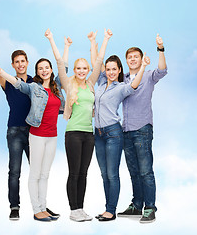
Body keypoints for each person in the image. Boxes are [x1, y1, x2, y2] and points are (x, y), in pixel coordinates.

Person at [0, 31, 67, 220]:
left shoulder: (35, 82)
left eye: (23, 61)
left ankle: (41, 206)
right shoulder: (9, 82)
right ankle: (15, 206)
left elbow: (52, 82)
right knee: (15, 170)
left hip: (34, 132)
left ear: (28, 63)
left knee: (38, 171)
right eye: (17, 62)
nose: (20, 64)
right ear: (13, 65)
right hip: (14, 131)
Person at [45, 28, 112, 222]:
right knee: (74, 172)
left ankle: (80, 208)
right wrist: (52, 39)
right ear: (74, 71)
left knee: (84, 173)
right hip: (73, 133)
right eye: (78, 68)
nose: (82, 71)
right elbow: (59, 63)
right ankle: (73, 210)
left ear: (88, 71)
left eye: (85, 68)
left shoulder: (91, 83)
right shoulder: (68, 83)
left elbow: (99, 62)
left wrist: (103, 39)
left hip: (88, 134)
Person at [93, 53, 150, 222]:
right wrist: (95, 42)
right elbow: (96, 61)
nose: (110, 72)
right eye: (108, 69)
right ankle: (107, 208)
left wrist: (143, 67)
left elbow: (133, 85)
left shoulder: (121, 87)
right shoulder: (101, 83)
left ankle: (111, 210)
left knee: (112, 174)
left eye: (114, 69)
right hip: (98, 134)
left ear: (119, 71)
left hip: (113, 134)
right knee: (104, 174)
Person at [117, 34, 167, 223]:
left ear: (140, 59)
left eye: (135, 57)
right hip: (126, 130)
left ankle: (150, 207)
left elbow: (162, 70)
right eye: (129, 57)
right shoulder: (123, 79)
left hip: (143, 129)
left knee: (146, 171)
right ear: (127, 61)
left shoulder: (148, 76)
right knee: (133, 171)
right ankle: (137, 205)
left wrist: (160, 49)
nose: (132, 59)